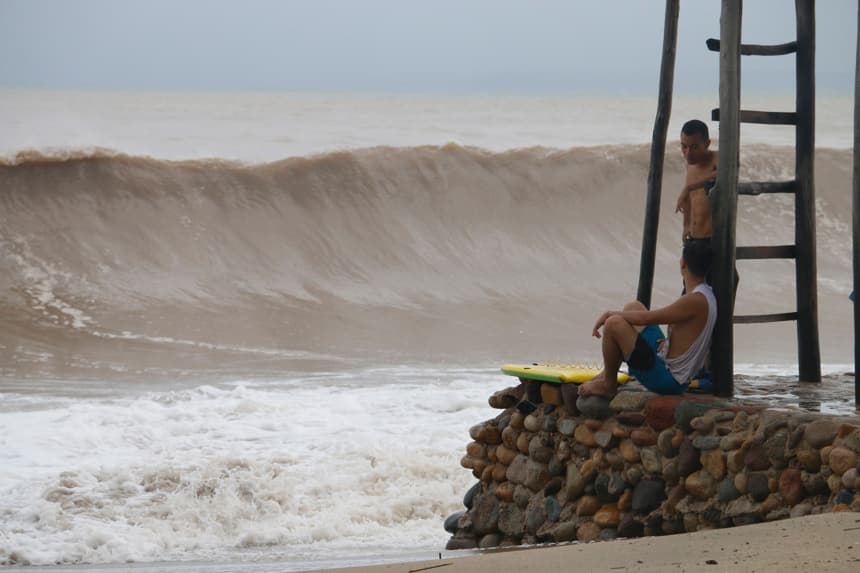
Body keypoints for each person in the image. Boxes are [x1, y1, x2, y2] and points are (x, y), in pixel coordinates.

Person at [578, 239, 717, 398]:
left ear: (683, 263)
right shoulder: (705, 293)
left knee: (613, 324)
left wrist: (609, 314)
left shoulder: (695, 300)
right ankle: (607, 373)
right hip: (667, 361)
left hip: (668, 380)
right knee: (634, 307)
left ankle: (608, 385)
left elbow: (648, 318)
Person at [676, 120, 717, 241]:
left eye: (694, 147)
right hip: (693, 237)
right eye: (684, 146)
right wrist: (685, 225)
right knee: (684, 261)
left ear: (707, 144)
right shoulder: (690, 165)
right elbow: (689, 199)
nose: (688, 153)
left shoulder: (717, 160)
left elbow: (722, 174)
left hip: (712, 239)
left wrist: (688, 188)